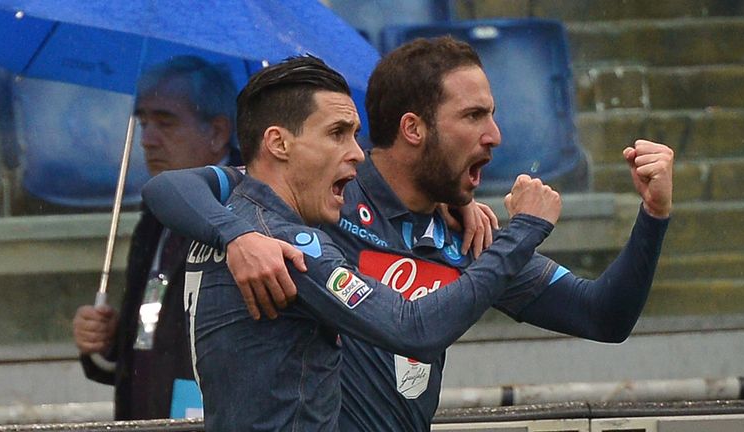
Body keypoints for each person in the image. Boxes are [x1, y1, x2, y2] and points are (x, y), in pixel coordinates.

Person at [142, 37, 673, 431]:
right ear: (415, 128)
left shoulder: (467, 238)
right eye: (474, 116)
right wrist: (237, 234)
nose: (495, 135)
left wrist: (652, 218)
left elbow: (604, 315)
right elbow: (170, 190)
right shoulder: (317, 200)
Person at [181, 54, 560, 431]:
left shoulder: (235, 217)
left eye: (353, 133)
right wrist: (523, 230)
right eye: (337, 134)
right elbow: (414, 330)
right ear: (278, 143)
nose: (356, 152)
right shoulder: (285, 244)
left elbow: (168, 187)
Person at [69, 55, 297, 420]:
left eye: (165, 122)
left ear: (217, 132)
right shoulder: (155, 217)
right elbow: (155, 335)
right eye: (143, 122)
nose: (148, 140)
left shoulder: (251, 215)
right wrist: (111, 340)